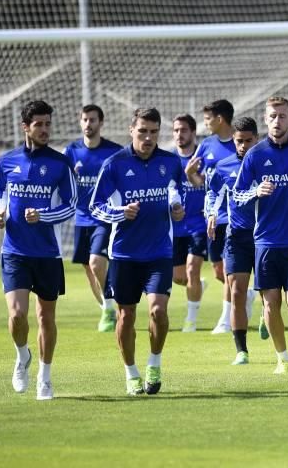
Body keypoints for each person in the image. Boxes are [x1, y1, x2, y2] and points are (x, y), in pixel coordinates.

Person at [90, 107, 185, 395]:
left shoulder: (170, 162)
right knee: (126, 316)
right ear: (132, 130)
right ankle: (131, 373)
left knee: (158, 311)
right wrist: (120, 213)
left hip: (159, 252)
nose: (148, 137)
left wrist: (178, 209)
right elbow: (96, 206)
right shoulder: (114, 164)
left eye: (153, 132)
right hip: (124, 254)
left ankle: (154, 363)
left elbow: (176, 191)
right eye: (142, 131)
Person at [0, 100, 77, 401]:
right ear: (25, 127)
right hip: (14, 251)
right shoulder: (7, 160)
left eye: (47, 124)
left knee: (46, 319)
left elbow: (71, 204)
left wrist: (45, 216)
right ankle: (22, 355)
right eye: (38, 124)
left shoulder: (60, 163)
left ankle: (45, 377)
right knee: (17, 316)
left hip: (47, 254)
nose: (44, 130)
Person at [232, 97, 288, 374]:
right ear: (266, 118)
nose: (277, 121)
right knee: (270, 303)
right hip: (266, 242)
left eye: (282, 116)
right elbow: (238, 194)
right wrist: (255, 192)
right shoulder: (255, 154)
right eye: (272, 116)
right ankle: (282, 359)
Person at [63, 104, 122, 332]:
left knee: (97, 262)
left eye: (93, 120)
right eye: (85, 120)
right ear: (80, 122)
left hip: (103, 217)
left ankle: (110, 308)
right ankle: (108, 309)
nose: (89, 124)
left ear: (101, 123)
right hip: (80, 219)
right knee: (89, 269)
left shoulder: (114, 151)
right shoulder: (71, 151)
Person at [205, 117, 259, 365]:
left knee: (271, 294)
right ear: (234, 141)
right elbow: (213, 193)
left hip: (266, 237)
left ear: (256, 139)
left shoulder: (267, 163)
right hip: (236, 236)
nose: (244, 145)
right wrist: (212, 214)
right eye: (239, 141)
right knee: (237, 291)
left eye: (248, 140)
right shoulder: (224, 167)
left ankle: (267, 318)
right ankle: (242, 350)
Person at [185, 99, 237, 334]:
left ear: (219, 119)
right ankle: (241, 293)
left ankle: (226, 319)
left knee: (228, 269)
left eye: (207, 119)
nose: (204, 124)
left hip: (236, 217)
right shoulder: (206, 146)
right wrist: (189, 174)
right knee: (218, 270)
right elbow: (202, 183)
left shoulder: (241, 142)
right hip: (213, 217)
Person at [171, 114, 208, 332]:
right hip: (176, 227)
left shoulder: (202, 158)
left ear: (193, 133)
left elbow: (207, 184)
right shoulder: (168, 161)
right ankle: (198, 288)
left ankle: (191, 321)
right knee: (178, 277)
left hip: (199, 224)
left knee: (193, 269)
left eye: (183, 130)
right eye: (176, 130)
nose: (179, 134)